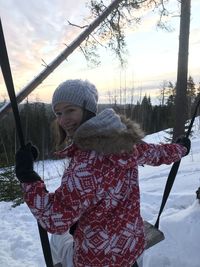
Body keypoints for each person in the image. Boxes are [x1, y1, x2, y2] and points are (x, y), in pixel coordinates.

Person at [15, 79, 191, 267]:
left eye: (70, 110)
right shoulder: (125, 140)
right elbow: (157, 154)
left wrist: (27, 177)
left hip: (97, 259)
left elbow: (54, 219)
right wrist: (181, 148)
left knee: (57, 239)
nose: (63, 119)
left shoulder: (86, 164)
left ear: (88, 109)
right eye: (58, 113)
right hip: (131, 248)